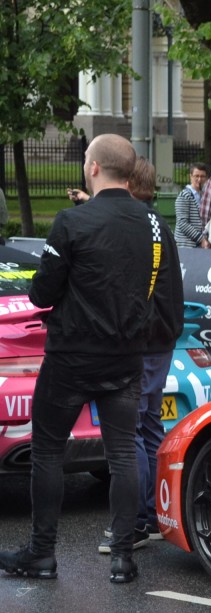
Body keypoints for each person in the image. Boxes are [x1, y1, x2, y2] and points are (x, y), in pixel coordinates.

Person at [0, 134, 182, 584]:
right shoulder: (155, 226)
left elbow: (42, 292)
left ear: (95, 168)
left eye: (85, 159)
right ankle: (123, 557)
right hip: (125, 359)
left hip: (70, 358)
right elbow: (165, 294)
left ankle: (42, 553)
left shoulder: (71, 222)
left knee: (46, 452)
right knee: (121, 453)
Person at [95, 157, 184, 557]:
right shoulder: (157, 224)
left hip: (141, 342)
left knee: (129, 433)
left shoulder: (134, 227)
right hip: (161, 339)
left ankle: (130, 525)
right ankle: (149, 516)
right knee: (149, 427)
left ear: (127, 185)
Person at [175, 163, 209, 248]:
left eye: (202, 176)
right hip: (185, 245)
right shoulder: (184, 195)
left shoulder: (204, 195)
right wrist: (200, 239)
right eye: (196, 176)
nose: (199, 179)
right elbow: (182, 223)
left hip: (198, 245)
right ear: (191, 176)